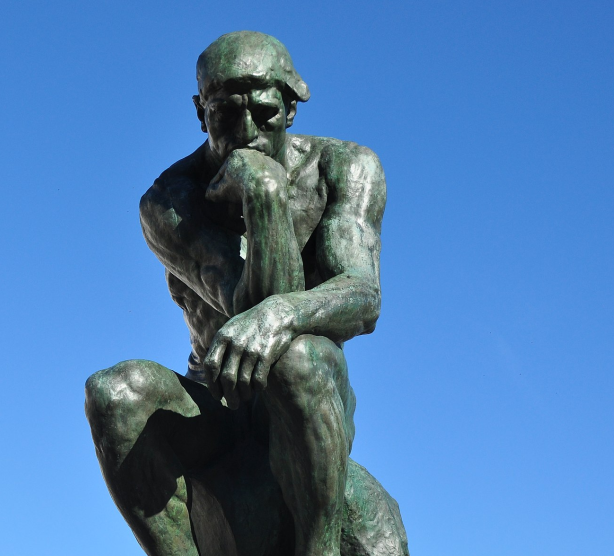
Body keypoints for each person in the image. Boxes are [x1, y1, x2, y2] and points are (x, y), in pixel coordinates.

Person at [84, 31, 388, 556]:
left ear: (291, 109)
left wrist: (283, 312)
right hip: (217, 407)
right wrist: (264, 194)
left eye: (265, 111)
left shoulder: (347, 168)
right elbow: (243, 309)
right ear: (201, 113)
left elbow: (363, 296)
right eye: (225, 113)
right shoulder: (169, 200)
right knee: (115, 392)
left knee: (297, 357)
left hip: (305, 401)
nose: (246, 132)